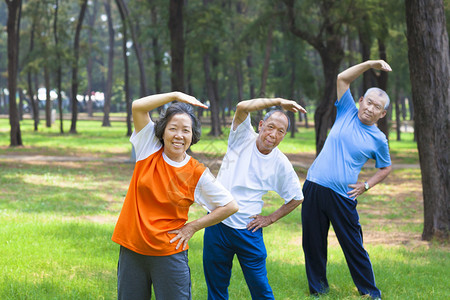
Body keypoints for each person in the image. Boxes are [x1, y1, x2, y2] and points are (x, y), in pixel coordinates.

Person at [111, 92, 239, 300]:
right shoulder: (148, 147)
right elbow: (138, 106)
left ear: (192, 136)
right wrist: (175, 95)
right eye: (173, 128)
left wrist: (193, 226)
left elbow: (230, 205)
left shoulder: (196, 172)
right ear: (162, 132)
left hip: (169, 253)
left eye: (185, 131)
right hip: (132, 249)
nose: (179, 135)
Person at [301, 60, 393, 299]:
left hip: (343, 196)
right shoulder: (346, 111)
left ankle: (370, 292)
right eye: (369, 102)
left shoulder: (379, 140)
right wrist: (371, 64)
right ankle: (318, 290)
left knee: (353, 246)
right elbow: (342, 78)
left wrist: (366, 185)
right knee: (313, 243)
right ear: (361, 100)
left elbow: (385, 168)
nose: (371, 108)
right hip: (313, 186)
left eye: (377, 107)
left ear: (382, 114)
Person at [203, 97, 307, 299]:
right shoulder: (242, 137)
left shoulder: (281, 163)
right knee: (216, 288)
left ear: (284, 136)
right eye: (270, 127)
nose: (273, 135)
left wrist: (269, 219)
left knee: (260, 288)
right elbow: (241, 107)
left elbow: (296, 197)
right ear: (260, 125)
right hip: (217, 223)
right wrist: (278, 101)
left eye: (280, 131)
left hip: (248, 229)